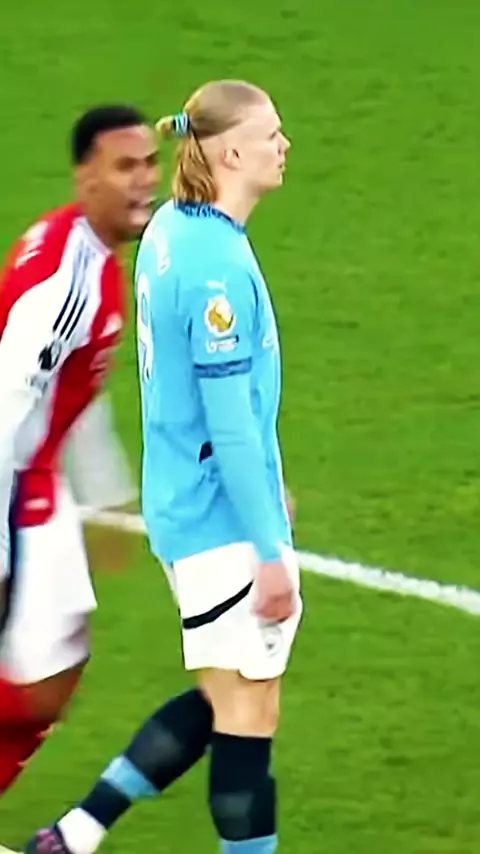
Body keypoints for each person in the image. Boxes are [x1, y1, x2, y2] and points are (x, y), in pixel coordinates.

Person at [26, 79, 301, 854]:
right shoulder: (216, 271)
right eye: (271, 135)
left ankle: (76, 833)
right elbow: (230, 423)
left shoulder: (175, 227)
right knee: (246, 722)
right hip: (222, 525)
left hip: (186, 502)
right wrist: (269, 547)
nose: (284, 146)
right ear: (232, 153)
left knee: (221, 698)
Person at [0, 104, 158, 800]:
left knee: (49, 679)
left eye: (149, 163)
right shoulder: (67, 284)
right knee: (42, 678)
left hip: (38, 476)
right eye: (125, 167)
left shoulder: (90, 253)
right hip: (14, 481)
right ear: (85, 176)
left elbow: (73, 388)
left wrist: (105, 492)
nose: (144, 180)